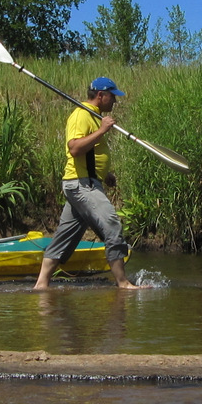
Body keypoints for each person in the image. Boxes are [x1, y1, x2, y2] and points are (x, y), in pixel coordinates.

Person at [34, 77, 139, 290]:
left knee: (65, 236)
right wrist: (102, 130)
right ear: (101, 95)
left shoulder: (94, 116)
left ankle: (41, 285)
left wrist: (104, 173)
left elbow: (90, 152)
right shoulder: (82, 114)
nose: (115, 102)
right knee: (111, 223)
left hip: (86, 182)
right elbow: (74, 148)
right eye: (112, 96)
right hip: (82, 185)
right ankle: (123, 283)